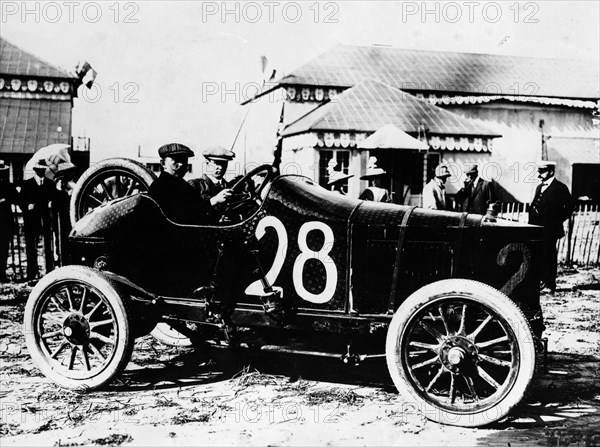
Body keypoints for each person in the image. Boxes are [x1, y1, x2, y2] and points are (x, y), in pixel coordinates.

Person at [148, 143, 230, 225]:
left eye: (184, 160)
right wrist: (213, 201)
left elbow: (198, 213)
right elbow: (180, 215)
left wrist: (216, 219)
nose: (181, 164)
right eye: (175, 160)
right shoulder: (160, 186)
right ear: (163, 163)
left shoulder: (183, 185)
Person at [528, 161, 574, 294]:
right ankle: (541, 281)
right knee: (539, 256)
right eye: (539, 171)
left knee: (549, 256)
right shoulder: (539, 187)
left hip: (550, 230)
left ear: (551, 172)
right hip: (537, 229)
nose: (539, 174)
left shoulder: (560, 188)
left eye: (542, 171)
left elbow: (570, 206)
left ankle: (550, 284)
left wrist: (557, 219)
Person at [19, 159, 56, 279]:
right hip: (31, 219)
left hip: (45, 219)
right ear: (35, 170)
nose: (42, 171)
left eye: (43, 170)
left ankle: (49, 271)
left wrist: (51, 203)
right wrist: (27, 206)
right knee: (31, 245)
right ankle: (32, 272)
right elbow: (21, 201)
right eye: (39, 170)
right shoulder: (27, 184)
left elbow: (55, 198)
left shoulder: (50, 184)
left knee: (47, 245)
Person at [188, 146, 236, 222]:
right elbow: (191, 214)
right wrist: (214, 201)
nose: (220, 167)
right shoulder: (194, 185)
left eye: (224, 163)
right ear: (207, 162)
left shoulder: (230, 187)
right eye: (217, 163)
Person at [52, 162, 77, 266]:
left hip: (70, 217)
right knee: (60, 240)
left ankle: (69, 262)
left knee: (70, 240)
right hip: (60, 218)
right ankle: (62, 262)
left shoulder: (72, 186)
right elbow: (56, 202)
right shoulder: (58, 187)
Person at [0, 160, 17, 282]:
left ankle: (2, 273)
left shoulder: (8, 186)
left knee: (3, 249)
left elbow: (18, 199)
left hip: (5, 222)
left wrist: (7, 200)